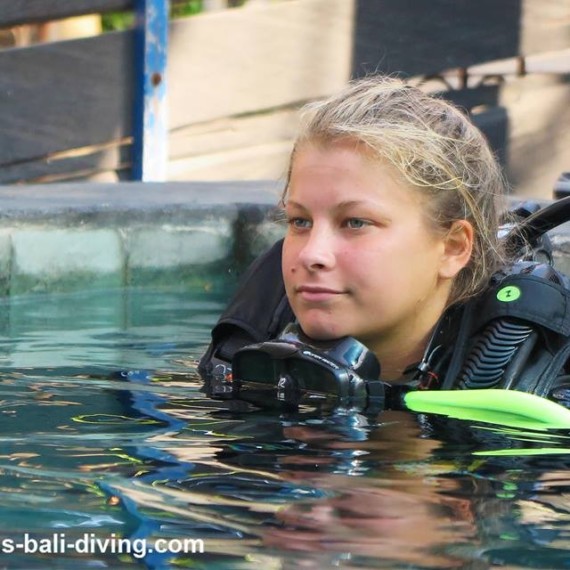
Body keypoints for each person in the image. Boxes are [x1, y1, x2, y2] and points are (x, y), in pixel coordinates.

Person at [199, 75, 570, 409]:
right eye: (300, 221)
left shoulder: (547, 392)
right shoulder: (256, 333)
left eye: (356, 222)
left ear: (454, 247)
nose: (312, 253)